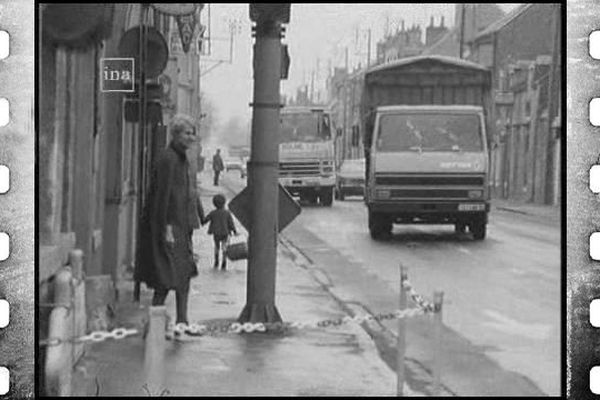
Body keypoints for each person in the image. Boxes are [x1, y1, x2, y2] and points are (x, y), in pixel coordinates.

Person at [134, 114, 204, 329]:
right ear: (176, 134)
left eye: (193, 133)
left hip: (182, 229)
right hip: (170, 228)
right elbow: (161, 197)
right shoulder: (168, 159)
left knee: (182, 276)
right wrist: (164, 228)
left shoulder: (182, 159)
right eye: (187, 133)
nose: (191, 137)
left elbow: (186, 195)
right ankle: (154, 325)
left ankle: (182, 320)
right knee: (165, 278)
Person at [202, 193, 238, 270]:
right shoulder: (227, 213)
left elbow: (205, 220)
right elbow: (231, 223)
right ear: (224, 203)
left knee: (216, 246)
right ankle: (224, 262)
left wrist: (201, 222)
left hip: (216, 233)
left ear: (214, 204)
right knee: (224, 247)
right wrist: (235, 232)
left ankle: (216, 261)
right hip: (225, 233)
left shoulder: (213, 213)